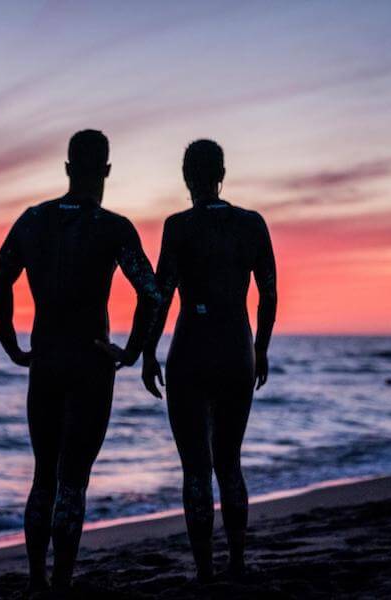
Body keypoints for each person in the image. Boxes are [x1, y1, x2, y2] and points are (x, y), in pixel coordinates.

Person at [0, 130, 161, 593]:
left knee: (43, 474)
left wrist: (11, 345)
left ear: (67, 169)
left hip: (45, 359)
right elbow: (152, 291)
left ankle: (38, 580)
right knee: (73, 480)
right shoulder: (112, 227)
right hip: (89, 361)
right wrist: (132, 350)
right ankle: (62, 581)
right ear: (105, 170)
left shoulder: (31, 220)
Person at [142, 139, 277, 582]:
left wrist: (148, 350)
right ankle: (237, 562)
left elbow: (161, 295)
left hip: (191, 350)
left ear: (186, 178)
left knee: (196, 469)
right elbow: (269, 293)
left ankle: (205, 572)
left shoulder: (178, 227)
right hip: (236, 347)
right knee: (229, 463)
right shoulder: (251, 224)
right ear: (222, 174)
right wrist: (261, 348)